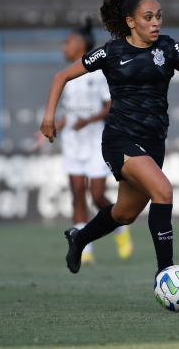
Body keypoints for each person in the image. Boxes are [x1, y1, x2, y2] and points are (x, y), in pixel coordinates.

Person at [40, 0, 179, 279]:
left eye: (158, 16)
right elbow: (62, 76)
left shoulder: (169, 48)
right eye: (148, 17)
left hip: (154, 143)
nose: (155, 22)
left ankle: (79, 238)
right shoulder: (111, 51)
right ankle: (166, 274)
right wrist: (49, 117)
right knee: (163, 190)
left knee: (124, 214)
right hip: (120, 139)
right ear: (131, 21)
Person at [33, 18, 133, 265]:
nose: (63, 48)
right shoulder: (69, 78)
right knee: (77, 193)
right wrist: (53, 126)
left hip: (95, 143)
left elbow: (110, 106)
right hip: (73, 144)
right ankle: (84, 247)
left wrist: (89, 121)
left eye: (67, 43)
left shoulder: (98, 73)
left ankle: (120, 228)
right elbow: (71, 112)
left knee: (97, 195)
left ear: (79, 45)